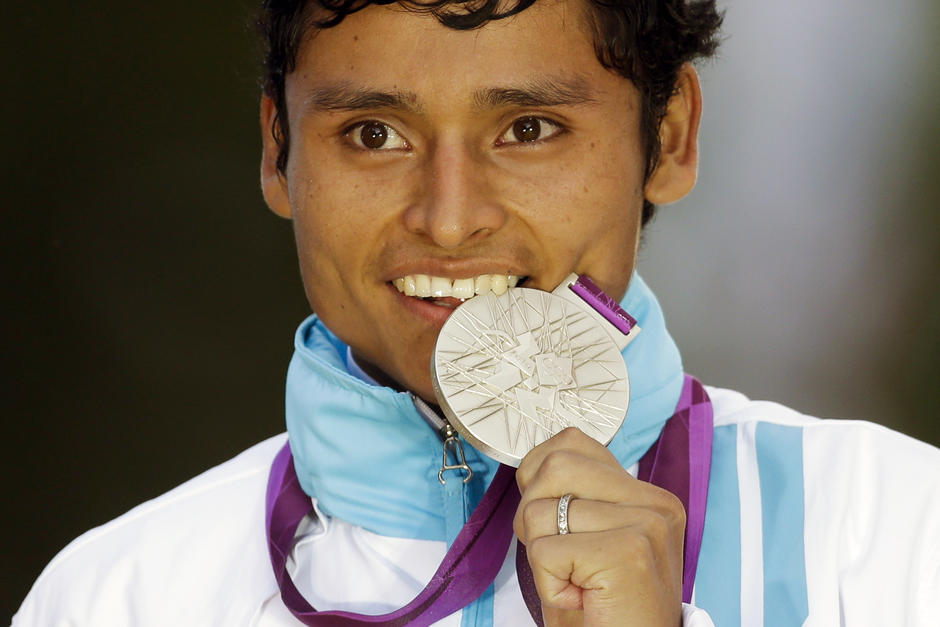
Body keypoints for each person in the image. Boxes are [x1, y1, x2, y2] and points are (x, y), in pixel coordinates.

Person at [13, 0, 940, 625]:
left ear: (668, 138)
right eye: (373, 133)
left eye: (528, 129)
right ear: (277, 151)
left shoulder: (896, 532)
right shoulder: (117, 597)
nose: (450, 219)